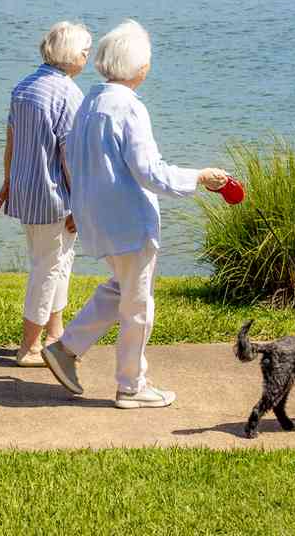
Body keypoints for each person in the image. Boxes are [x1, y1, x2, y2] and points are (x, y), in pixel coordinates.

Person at [39, 20, 230, 410]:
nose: (149, 66)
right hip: (127, 220)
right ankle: (131, 385)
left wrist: (80, 206)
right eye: (147, 60)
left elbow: (73, 157)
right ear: (137, 67)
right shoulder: (129, 107)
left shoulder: (90, 101)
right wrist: (199, 177)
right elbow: (149, 171)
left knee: (121, 287)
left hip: (97, 216)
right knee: (139, 305)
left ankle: (66, 348)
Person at [0, 21, 90, 366]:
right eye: (85, 52)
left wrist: (8, 179)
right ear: (70, 55)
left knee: (58, 261)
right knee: (47, 269)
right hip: (54, 197)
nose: (87, 58)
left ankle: (55, 335)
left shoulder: (24, 86)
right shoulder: (69, 94)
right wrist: (81, 203)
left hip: (26, 190)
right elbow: (71, 157)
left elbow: (11, 139)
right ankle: (30, 347)